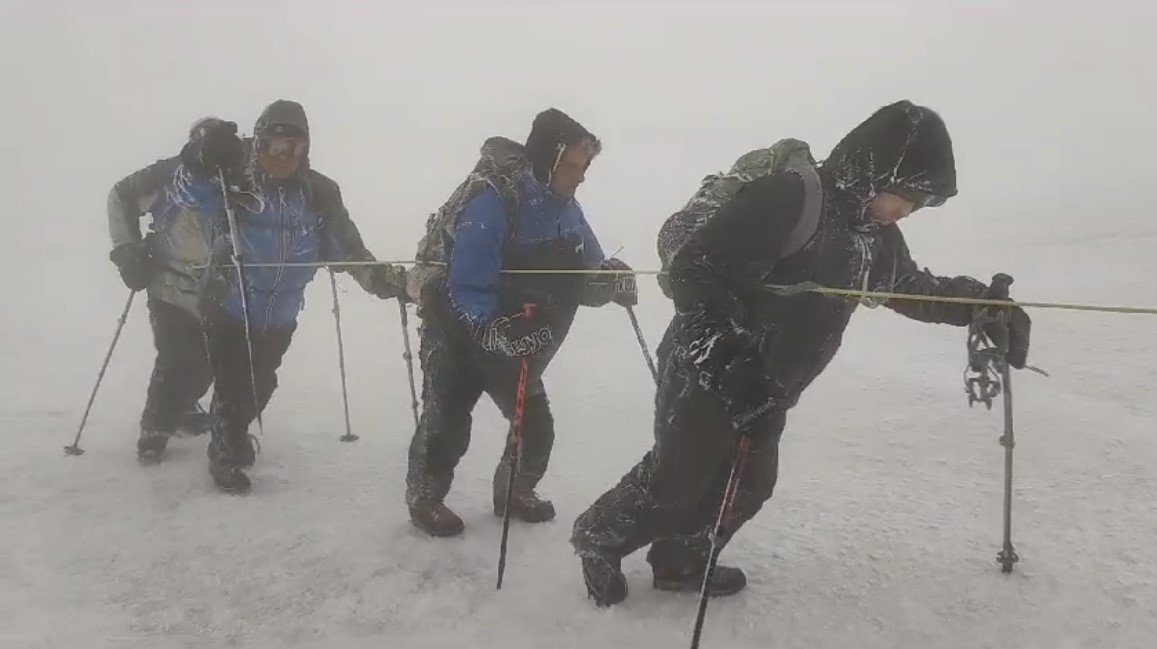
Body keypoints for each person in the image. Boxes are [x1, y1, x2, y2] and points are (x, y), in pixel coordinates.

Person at [570, 100, 1033, 606]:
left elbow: (907, 286)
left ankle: (680, 558)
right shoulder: (789, 199)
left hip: (770, 387)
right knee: (676, 482)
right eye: (907, 195)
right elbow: (694, 273)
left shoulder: (874, 237)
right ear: (872, 170)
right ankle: (597, 538)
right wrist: (733, 368)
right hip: (708, 369)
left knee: (748, 485)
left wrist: (979, 305)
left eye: (920, 202)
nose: (910, 210)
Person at [404, 108, 637, 537]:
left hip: (520, 341)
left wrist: (612, 283)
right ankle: (425, 497)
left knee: (536, 428)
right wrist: (495, 329)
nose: (581, 176)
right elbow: (466, 287)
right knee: (447, 421)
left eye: (585, 167)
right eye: (573, 166)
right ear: (548, 159)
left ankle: (513, 491)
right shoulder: (493, 203)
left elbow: (585, 278)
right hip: (457, 333)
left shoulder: (568, 211)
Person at [163, 100, 407, 492]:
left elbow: (348, 249)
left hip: (280, 313)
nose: (282, 158)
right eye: (273, 148)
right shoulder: (231, 184)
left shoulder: (319, 193)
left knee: (262, 384)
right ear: (257, 145)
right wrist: (199, 158)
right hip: (227, 304)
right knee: (232, 384)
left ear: (305, 150)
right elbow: (188, 194)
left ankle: (235, 432)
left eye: (293, 149)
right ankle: (224, 451)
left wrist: (384, 282)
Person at [107, 117, 232, 462]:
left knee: (210, 361)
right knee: (177, 357)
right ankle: (155, 429)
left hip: (217, 291)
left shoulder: (235, 179)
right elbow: (120, 195)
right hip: (167, 285)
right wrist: (126, 250)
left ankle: (184, 405)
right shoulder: (167, 175)